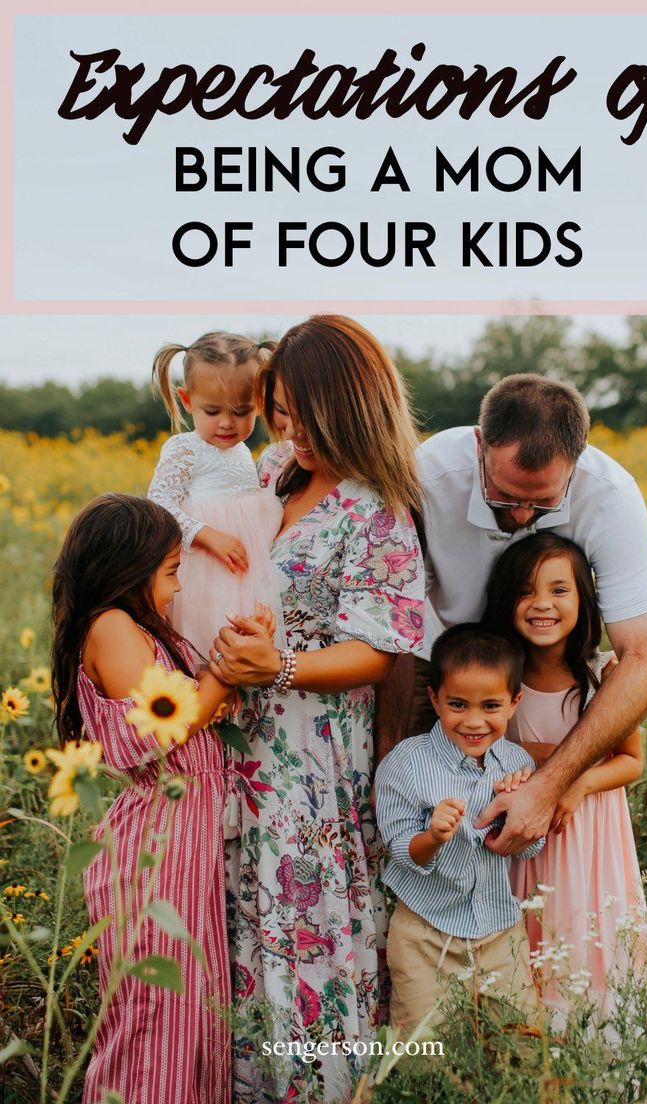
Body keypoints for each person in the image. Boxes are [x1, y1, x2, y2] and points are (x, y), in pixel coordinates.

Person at [208, 316, 425, 1104]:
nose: (292, 431)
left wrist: (282, 665)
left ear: (353, 406)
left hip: (312, 756)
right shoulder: (270, 472)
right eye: (282, 411)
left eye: (308, 416)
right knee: (239, 921)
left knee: (304, 928)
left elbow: (382, 647)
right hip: (236, 740)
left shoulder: (380, 509)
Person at [379, 373, 647, 854]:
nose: (519, 515)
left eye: (542, 502)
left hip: (548, 668)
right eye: (504, 495)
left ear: (576, 465)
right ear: (479, 444)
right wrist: (389, 760)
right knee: (419, 817)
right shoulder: (423, 477)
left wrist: (548, 786)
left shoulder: (611, 497)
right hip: (438, 658)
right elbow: (392, 626)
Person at [49, 494, 235, 1104]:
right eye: (172, 570)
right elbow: (159, 729)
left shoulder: (141, 631)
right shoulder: (112, 625)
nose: (178, 588)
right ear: (128, 570)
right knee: (154, 1020)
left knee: (191, 1018)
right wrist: (223, 676)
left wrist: (211, 693)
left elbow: (190, 709)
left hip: (182, 848)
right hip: (153, 852)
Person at [484, 533, 647, 1032]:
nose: (542, 604)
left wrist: (578, 783)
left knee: (588, 945)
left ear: (584, 600)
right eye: (525, 591)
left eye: (559, 590)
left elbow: (630, 762)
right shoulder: (499, 679)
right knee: (526, 956)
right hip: (523, 849)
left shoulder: (605, 676)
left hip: (588, 846)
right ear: (505, 601)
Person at [375, 625, 543, 1035]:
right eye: (457, 704)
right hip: (425, 934)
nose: (474, 721)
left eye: (490, 706)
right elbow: (399, 849)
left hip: (500, 930)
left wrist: (512, 817)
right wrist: (432, 837)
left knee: (522, 1037)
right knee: (423, 1047)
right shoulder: (407, 764)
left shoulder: (517, 765)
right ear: (434, 699)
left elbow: (528, 847)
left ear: (513, 703)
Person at [148, 330, 284, 659]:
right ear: (187, 400)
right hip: (202, 566)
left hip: (241, 571)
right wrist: (207, 535)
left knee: (243, 633)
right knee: (203, 637)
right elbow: (158, 505)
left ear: (259, 404)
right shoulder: (185, 448)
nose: (227, 423)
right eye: (212, 412)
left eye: (241, 412)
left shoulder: (242, 454)